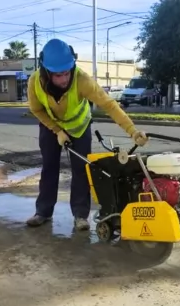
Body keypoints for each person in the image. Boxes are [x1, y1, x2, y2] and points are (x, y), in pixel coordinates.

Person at [26, 38, 149, 231]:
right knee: (49, 168)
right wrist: (57, 130)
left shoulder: (82, 80)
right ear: (46, 72)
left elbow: (109, 104)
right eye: (58, 75)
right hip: (51, 127)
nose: (64, 79)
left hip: (80, 127)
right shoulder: (34, 82)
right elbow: (36, 110)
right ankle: (43, 211)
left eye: (67, 72)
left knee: (82, 169)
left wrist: (132, 131)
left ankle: (80, 215)